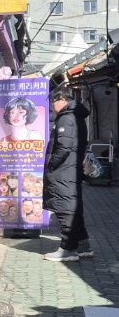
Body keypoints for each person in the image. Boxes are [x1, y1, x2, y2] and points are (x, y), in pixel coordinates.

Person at [42, 86, 92, 261]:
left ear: (62, 100)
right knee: (73, 208)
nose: (51, 106)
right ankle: (84, 246)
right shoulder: (76, 116)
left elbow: (63, 147)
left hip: (63, 171)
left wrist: (51, 165)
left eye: (52, 102)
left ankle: (68, 249)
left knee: (64, 209)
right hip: (71, 170)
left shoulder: (66, 118)